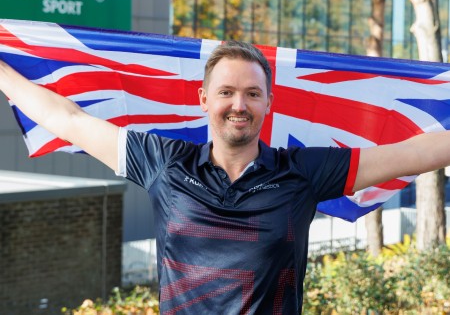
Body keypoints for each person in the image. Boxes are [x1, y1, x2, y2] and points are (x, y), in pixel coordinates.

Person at [0, 40, 449, 314]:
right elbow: (70, 119)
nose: (240, 104)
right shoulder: (164, 163)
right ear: (203, 99)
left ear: (269, 102)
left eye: (253, 93)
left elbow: (411, 153)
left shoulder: (304, 173)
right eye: (227, 92)